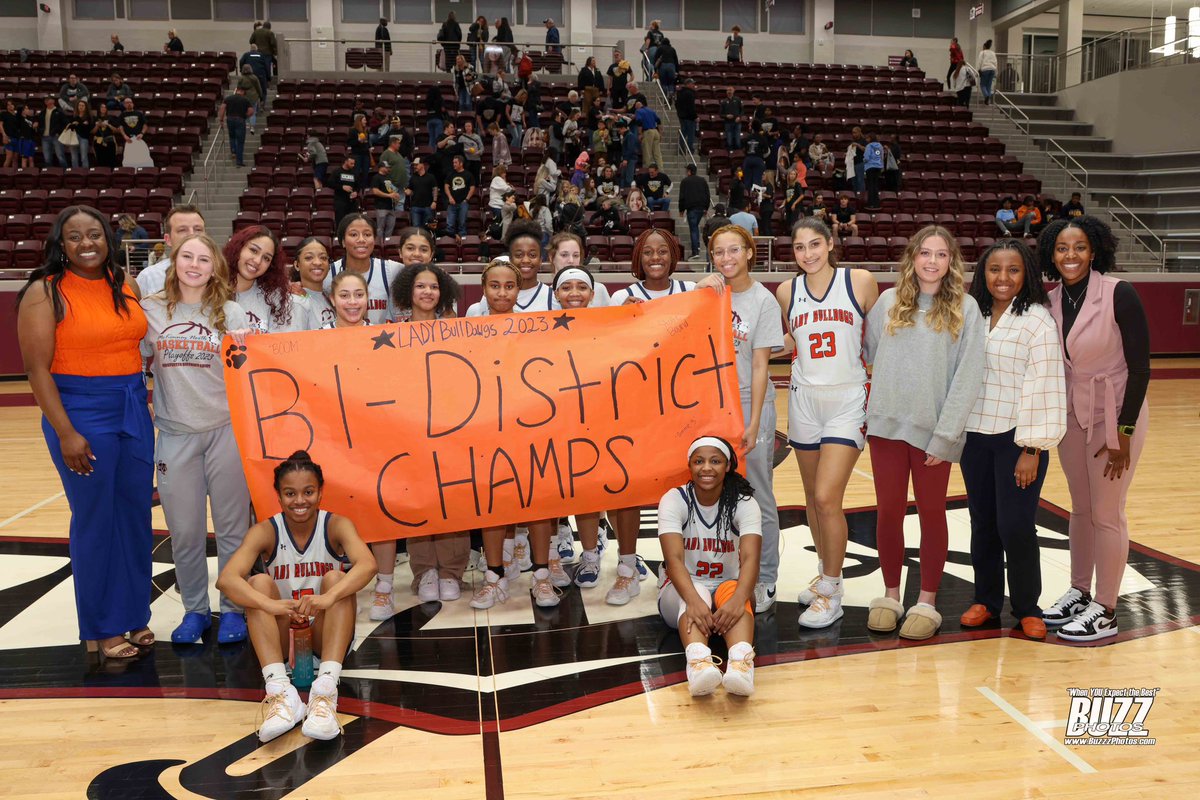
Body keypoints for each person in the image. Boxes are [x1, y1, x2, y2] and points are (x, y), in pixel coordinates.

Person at [16, 206, 156, 662]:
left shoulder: (125, 284)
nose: (86, 243)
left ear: (107, 237)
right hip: (80, 411)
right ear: (61, 244)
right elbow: (37, 371)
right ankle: (100, 626)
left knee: (134, 516)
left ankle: (135, 613)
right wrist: (65, 432)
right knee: (95, 519)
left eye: (94, 233)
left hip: (133, 406)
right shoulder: (45, 292)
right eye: (74, 236)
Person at [863, 226, 985, 640]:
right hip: (885, 430)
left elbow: (968, 377)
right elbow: (872, 354)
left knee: (932, 514)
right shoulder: (887, 302)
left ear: (952, 262)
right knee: (889, 512)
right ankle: (891, 594)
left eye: (941, 255)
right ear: (911, 258)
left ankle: (927, 601)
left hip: (934, 435)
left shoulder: (966, 309)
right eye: (925, 254)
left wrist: (946, 435)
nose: (932, 262)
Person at [1040, 217, 1150, 643]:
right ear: (1051, 253)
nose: (1071, 256)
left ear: (1095, 251)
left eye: (1080, 247)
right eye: (1062, 248)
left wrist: (1122, 432)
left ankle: (1105, 609)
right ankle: (1080, 590)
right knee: (1080, 508)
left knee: (1107, 513)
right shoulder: (1049, 301)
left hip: (1115, 414)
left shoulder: (1119, 293)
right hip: (1072, 416)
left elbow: (1140, 368)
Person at [216, 451, 376, 743]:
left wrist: (328, 598)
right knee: (259, 583)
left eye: (308, 492)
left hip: (324, 634)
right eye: (290, 493)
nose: (300, 501)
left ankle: (325, 691)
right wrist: (270, 604)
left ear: (320, 492)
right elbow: (226, 580)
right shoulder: (265, 530)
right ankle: (281, 693)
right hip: (279, 638)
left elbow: (368, 565)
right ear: (278, 495)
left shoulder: (336, 524)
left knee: (336, 580)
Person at [140, 233, 253, 645]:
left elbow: (249, 374)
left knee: (232, 530)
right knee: (185, 531)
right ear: (174, 261)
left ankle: (235, 608)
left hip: (226, 434)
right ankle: (195, 610)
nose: (194, 265)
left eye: (203, 259)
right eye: (186, 257)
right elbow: (130, 362)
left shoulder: (231, 313)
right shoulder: (151, 311)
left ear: (215, 267)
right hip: (175, 436)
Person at [775, 218, 879, 627]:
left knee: (825, 498)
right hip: (803, 400)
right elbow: (791, 341)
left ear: (831, 243)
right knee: (810, 500)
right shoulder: (787, 291)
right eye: (800, 247)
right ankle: (824, 574)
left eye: (815, 244)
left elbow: (883, 333)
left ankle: (833, 590)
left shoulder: (860, 281)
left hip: (847, 400)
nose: (808, 254)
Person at [960, 239, 1066, 641]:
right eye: (994, 270)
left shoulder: (1037, 319)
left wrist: (1032, 448)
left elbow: (1046, 385)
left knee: (1016, 525)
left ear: (1028, 275)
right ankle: (986, 600)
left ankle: (1026, 607)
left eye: (1013, 270)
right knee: (982, 521)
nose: (1003, 278)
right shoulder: (972, 312)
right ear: (983, 274)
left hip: (1016, 440)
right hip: (975, 437)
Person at [466, 256, 559, 609]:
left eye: (509, 286)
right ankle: (494, 577)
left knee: (536, 503)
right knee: (492, 504)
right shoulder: (468, 328)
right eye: (495, 286)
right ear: (483, 289)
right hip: (487, 427)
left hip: (529, 426)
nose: (502, 292)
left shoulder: (534, 326)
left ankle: (541, 576)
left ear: (519, 289)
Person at [707, 225, 785, 611]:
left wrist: (753, 423)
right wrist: (703, 286)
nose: (726, 259)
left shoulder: (762, 302)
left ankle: (766, 576)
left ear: (750, 252)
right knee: (718, 494)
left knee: (757, 494)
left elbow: (759, 366)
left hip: (751, 403)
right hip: (712, 406)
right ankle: (727, 568)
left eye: (734, 250)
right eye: (719, 252)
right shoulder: (708, 293)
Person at [658, 436, 761, 697]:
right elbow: (673, 561)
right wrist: (693, 600)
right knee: (698, 591)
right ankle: (698, 663)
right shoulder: (674, 499)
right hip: (682, 589)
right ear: (689, 466)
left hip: (728, 587)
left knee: (733, 588)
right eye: (699, 461)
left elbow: (750, 558)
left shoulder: (744, 502)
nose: (706, 468)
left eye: (715, 461)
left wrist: (739, 599)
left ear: (727, 466)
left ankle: (740, 665)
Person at [224, 226, 317, 334]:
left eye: (266, 258)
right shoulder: (211, 291)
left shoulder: (275, 298)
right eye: (253, 250)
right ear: (238, 248)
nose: (258, 261)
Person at [324, 213, 399, 324]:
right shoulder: (328, 273)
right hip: (341, 339)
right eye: (354, 235)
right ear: (343, 241)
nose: (361, 240)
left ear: (374, 240)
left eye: (367, 235)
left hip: (379, 339)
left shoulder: (391, 270)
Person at [136, 205, 206, 296]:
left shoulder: (218, 274)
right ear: (168, 239)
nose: (192, 235)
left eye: (198, 229)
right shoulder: (148, 277)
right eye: (182, 230)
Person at [294, 237, 334, 327]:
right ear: (297, 265)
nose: (317, 262)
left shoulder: (331, 296)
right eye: (309, 258)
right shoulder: (295, 301)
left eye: (323, 257)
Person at [679, 163, 712, 259]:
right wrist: (706, 207)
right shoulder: (702, 181)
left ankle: (695, 251)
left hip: (692, 209)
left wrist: (681, 209)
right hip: (701, 208)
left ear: (689, 171)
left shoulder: (685, 181)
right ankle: (696, 247)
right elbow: (707, 195)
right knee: (695, 228)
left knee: (693, 229)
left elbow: (682, 197)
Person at [219, 86, 253, 168]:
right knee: (240, 141)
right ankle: (239, 161)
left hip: (230, 119)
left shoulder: (228, 98)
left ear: (237, 91)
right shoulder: (245, 100)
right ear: (242, 92)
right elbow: (251, 111)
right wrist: (245, 116)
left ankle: (233, 151)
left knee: (232, 137)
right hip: (240, 120)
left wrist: (221, 120)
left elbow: (222, 108)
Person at [443, 155, 476, 238]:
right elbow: (446, 186)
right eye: (453, 163)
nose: (454, 164)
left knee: (462, 223)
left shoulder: (468, 174)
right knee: (450, 224)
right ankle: (449, 240)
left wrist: (466, 199)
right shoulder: (451, 174)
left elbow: (472, 188)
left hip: (463, 203)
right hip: (452, 203)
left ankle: (463, 240)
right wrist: (450, 197)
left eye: (455, 162)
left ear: (461, 163)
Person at [369, 160, 402, 241]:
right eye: (386, 167)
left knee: (390, 228)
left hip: (391, 207)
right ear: (381, 168)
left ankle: (387, 243)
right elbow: (375, 191)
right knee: (380, 228)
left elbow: (390, 190)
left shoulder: (388, 178)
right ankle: (380, 244)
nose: (388, 169)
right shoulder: (376, 177)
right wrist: (389, 195)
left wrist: (395, 195)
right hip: (381, 207)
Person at [63, 99, 93, 169]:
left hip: (84, 138)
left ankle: (85, 173)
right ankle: (75, 172)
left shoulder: (88, 117)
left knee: (84, 157)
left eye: (83, 105)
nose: (81, 107)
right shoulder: (74, 116)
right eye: (79, 105)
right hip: (74, 137)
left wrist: (78, 124)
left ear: (86, 107)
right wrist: (80, 124)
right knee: (73, 157)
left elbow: (87, 129)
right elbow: (71, 127)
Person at [863, 131, 885, 209]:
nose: (866, 139)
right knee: (875, 186)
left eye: (867, 138)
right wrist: (882, 166)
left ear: (871, 138)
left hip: (870, 167)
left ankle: (871, 203)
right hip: (878, 167)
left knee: (870, 186)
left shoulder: (869, 146)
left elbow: (867, 158)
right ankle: (876, 203)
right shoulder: (880, 145)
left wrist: (863, 160)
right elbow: (882, 156)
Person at [978, 39, 998, 105]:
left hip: (985, 69)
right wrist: (995, 70)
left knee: (982, 85)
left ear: (984, 47)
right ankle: (988, 100)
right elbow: (995, 62)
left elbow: (979, 62)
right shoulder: (993, 53)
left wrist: (979, 69)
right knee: (989, 86)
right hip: (992, 69)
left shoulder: (982, 52)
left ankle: (986, 96)